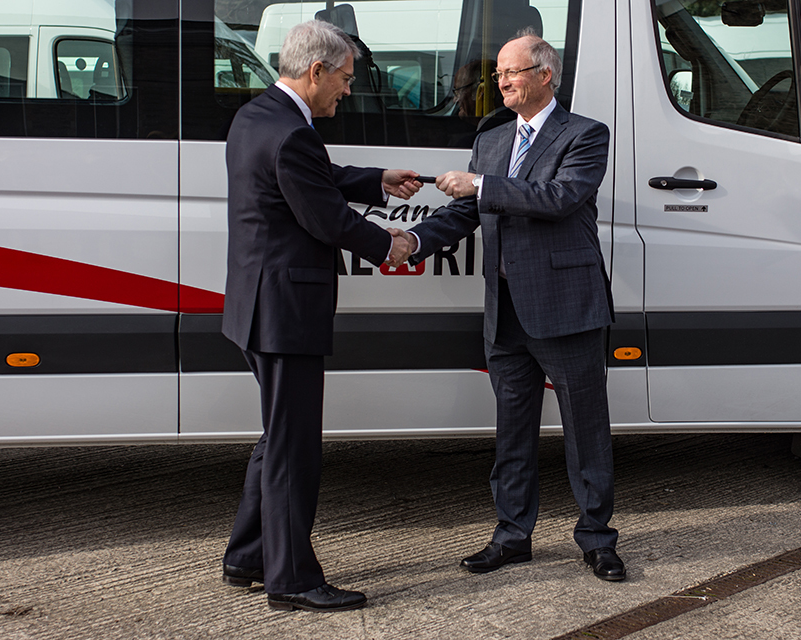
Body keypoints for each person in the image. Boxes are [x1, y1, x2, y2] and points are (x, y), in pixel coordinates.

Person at [395, 30, 624, 581]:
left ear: (545, 75)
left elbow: (560, 199)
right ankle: (512, 535)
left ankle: (597, 538)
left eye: (511, 72)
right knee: (511, 432)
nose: (500, 82)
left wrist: (480, 184)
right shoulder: (494, 138)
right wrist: (414, 241)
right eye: (497, 74)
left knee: (585, 431)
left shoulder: (585, 134)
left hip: (565, 306)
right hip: (506, 310)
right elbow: (471, 212)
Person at [220, 19, 420, 613]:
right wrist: (392, 246)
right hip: (285, 311)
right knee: (293, 448)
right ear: (317, 71)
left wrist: (375, 181)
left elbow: (311, 178)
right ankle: (292, 579)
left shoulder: (259, 116)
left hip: (258, 305)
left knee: (277, 438)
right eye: (345, 77)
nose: (347, 89)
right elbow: (326, 218)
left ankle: (248, 556)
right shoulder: (292, 133)